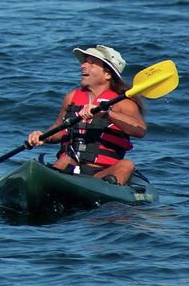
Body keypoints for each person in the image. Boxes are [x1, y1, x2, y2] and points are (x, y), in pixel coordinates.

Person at [26, 45, 146, 184]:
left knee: (127, 164)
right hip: (71, 165)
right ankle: (49, 185)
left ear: (107, 74)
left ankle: (109, 187)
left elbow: (140, 130)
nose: (83, 65)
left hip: (103, 171)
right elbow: (59, 126)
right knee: (64, 160)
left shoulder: (123, 103)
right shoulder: (71, 97)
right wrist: (42, 137)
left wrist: (108, 113)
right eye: (84, 62)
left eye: (91, 63)